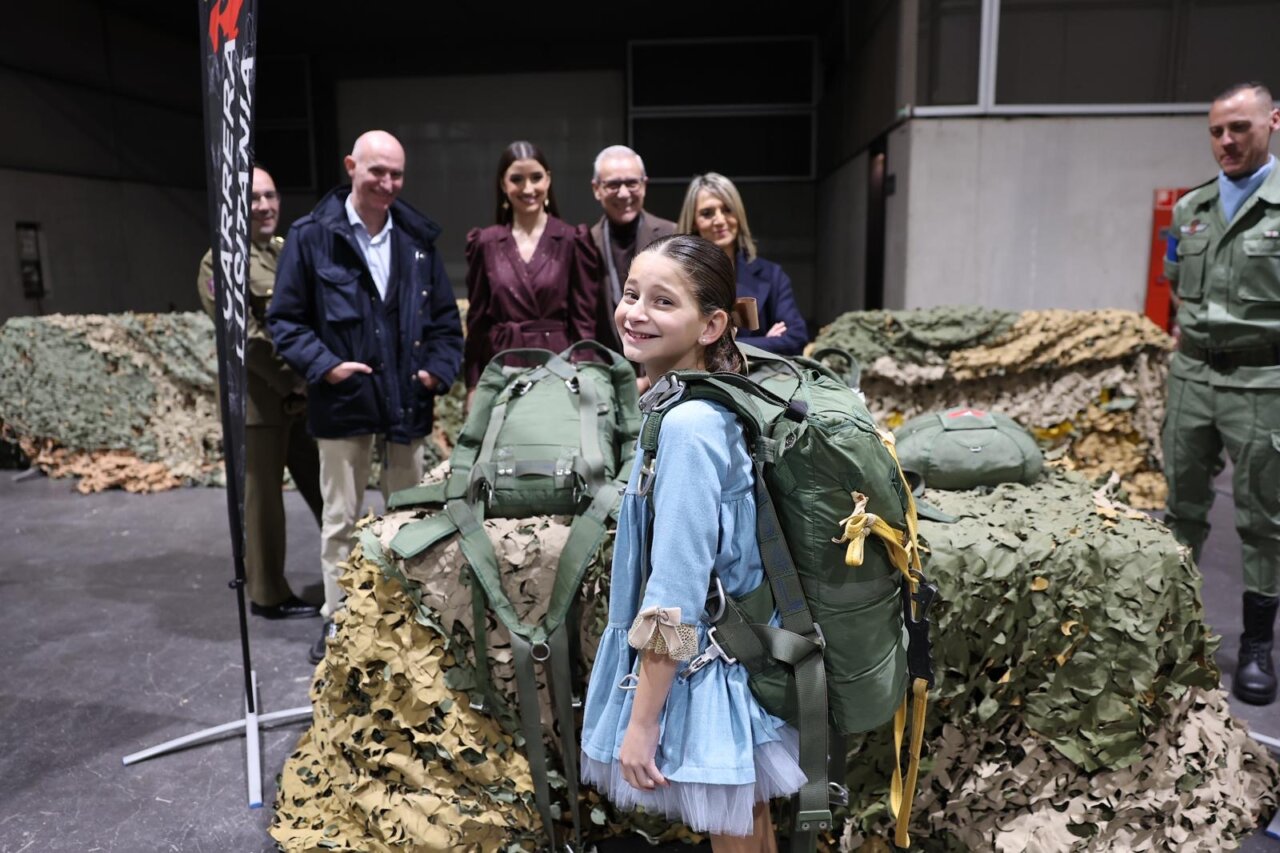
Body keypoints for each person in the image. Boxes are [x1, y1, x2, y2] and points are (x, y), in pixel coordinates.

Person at [580, 234, 805, 850]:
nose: (635, 313)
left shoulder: (687, 425)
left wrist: (642, 721)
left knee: (734, 828)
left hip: (705, 667)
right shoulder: (697, 403)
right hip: (733, 650)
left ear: (711, 325)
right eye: (631, 294)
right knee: (747, 821)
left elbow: (676, 589)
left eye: (662, 302)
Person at [267, 130, 464, 664]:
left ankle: (409, 616)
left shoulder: (417, 239)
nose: (387, 183)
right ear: (351, 165)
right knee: (341, 520)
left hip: (408, 401)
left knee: (413, 519)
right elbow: (284, 319)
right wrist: (326, 366)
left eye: (396, 174)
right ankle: (340, 621)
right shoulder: (312, 237)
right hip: (343, 401)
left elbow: (446, 322)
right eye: (377, 171)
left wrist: (435, 373)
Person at [1162, 81, 1280, 705]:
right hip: (1192, 376)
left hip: (1264, 379)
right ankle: (1173, 629)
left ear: (1273, 122)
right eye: (1216, 131)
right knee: (1181, 506)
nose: (1226, 141)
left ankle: (1257, 646)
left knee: (1263, 517)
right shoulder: (1191, 208)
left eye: (1239, 127)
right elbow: (1176, 279)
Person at [197, 164, 324, 620]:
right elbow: (244, 339)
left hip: (303, 396)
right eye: (253, 199)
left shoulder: (285, 250)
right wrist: (295, 377)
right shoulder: (219, 262)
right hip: (259, 402)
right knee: (264, 502)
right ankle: (268, 594)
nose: (265, 206)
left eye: (270, 196)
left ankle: (350, 575)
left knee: (327, 491)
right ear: (234, 206)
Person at [464, 140, 601, 402]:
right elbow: (477, 321)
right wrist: (473, 384)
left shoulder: (572, 239)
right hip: (502, 364)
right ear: (503, 185)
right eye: (517, 179)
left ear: (548, 180)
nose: (528, 188)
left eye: (536, 177)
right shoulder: (485, 242)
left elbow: (584, 322)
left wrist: (583, 372)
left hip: (558, 366)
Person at [677, 173, 808, 356]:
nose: (720, 220)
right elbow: (679, 341)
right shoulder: (679, 276)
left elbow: (796, 339)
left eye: (727, 210)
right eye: (707, 213)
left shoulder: (772, 274)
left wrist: (725, 343)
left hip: (757, 381)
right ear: (693, 222)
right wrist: (766, 343)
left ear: (738, 214)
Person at [589, 145, 677, 352]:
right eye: (613, 185)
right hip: (606, 370)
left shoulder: (672, 235)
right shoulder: (585, 243)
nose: (623, 193)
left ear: (644, 185)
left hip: (662, 365)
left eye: (631, 183)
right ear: (596, 189)